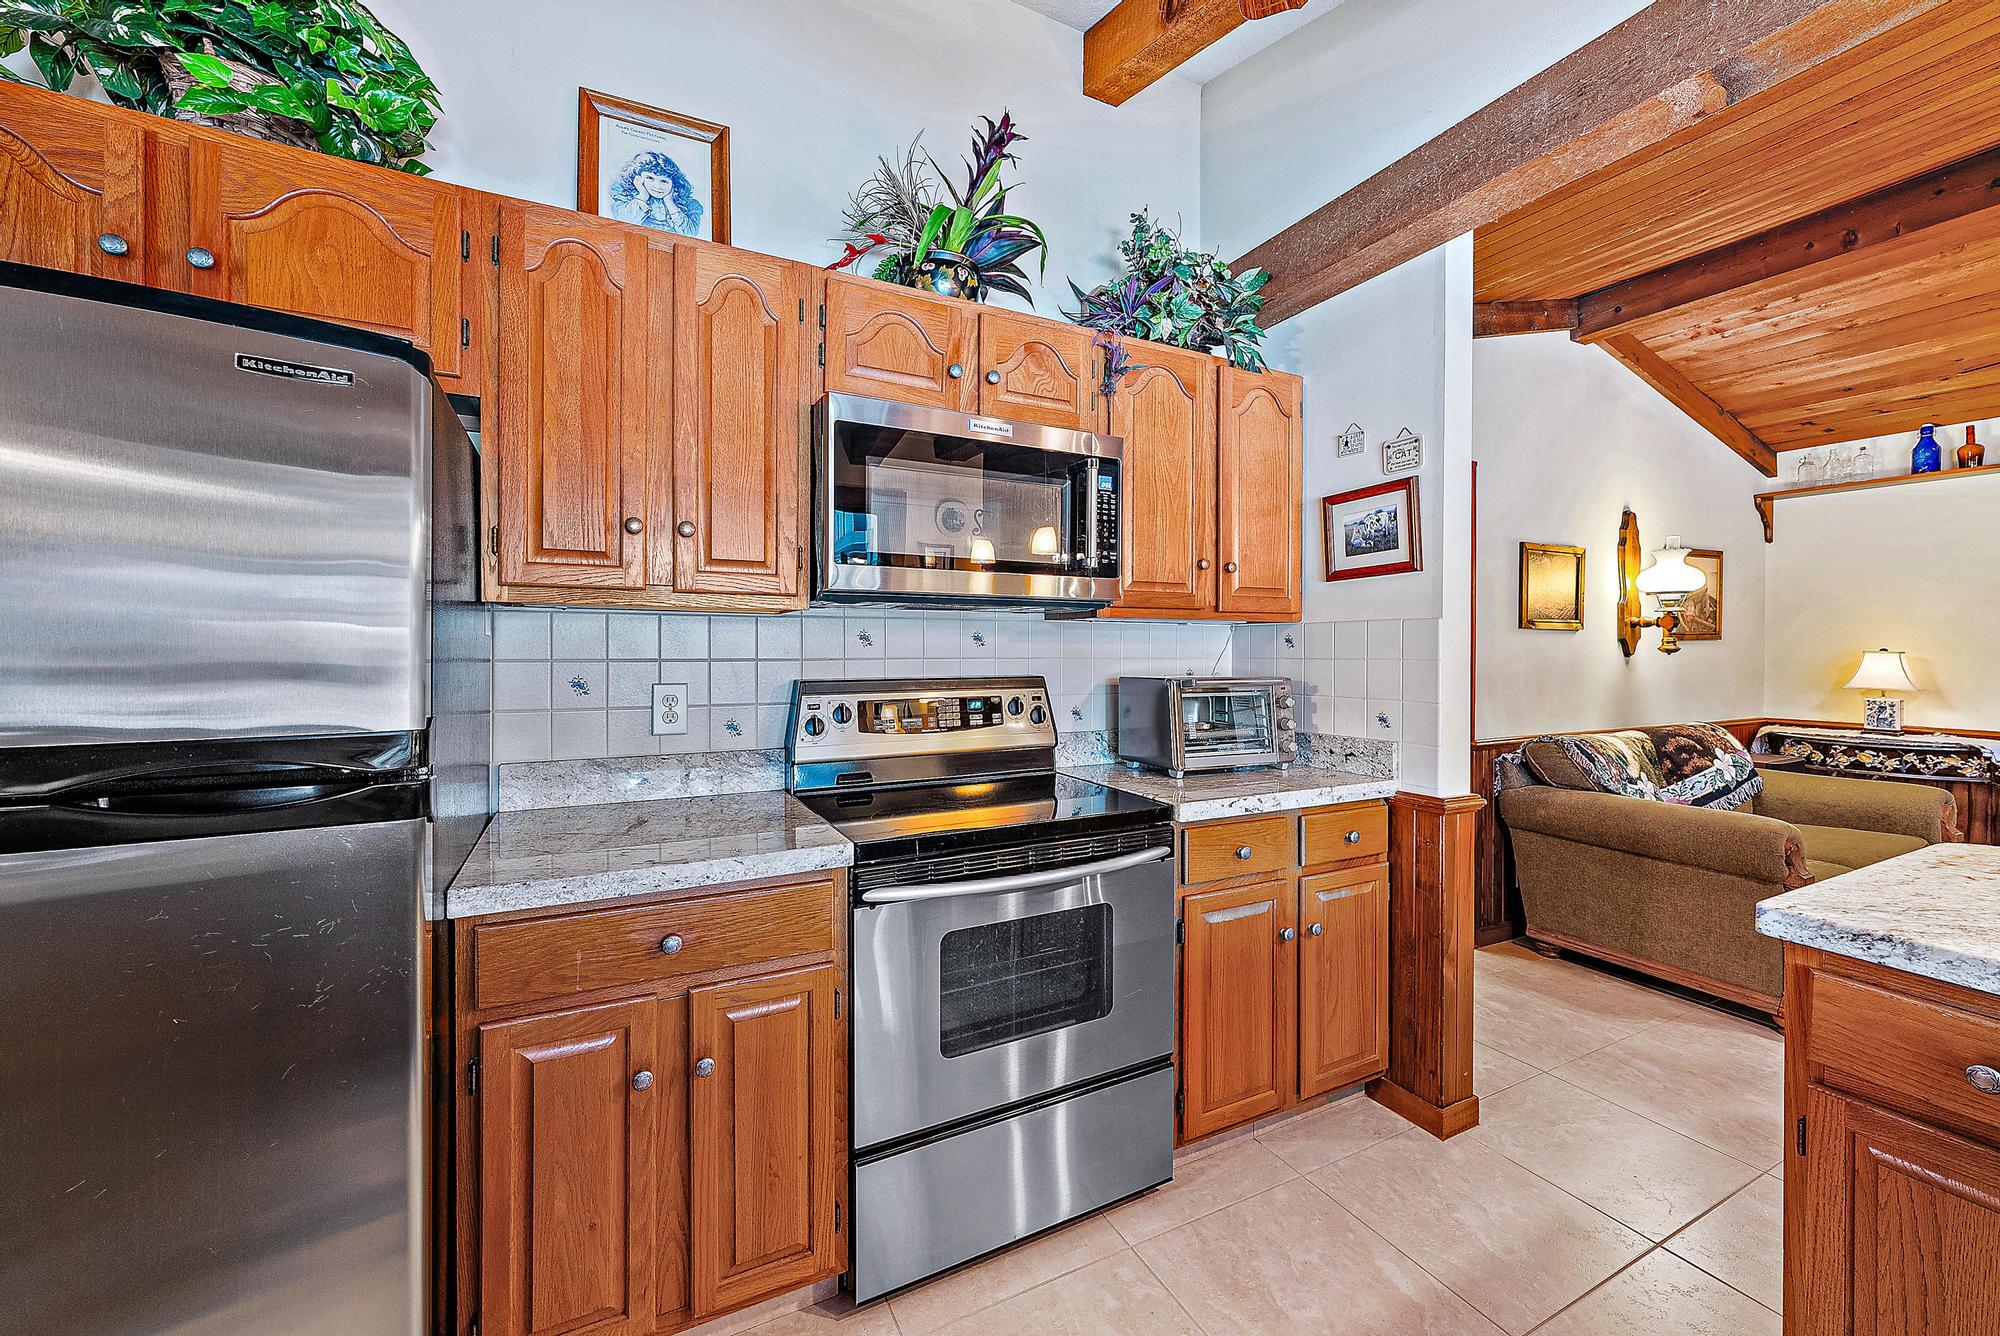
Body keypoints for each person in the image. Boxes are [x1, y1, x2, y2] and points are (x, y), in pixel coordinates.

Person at [609, 150, 703, 235]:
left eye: (664, 181)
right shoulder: (624, 194)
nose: (657, 186)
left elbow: (691, 234)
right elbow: (623, 222)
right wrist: (643, 196)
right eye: (650, 178)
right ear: (638, 178)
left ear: (673, 184)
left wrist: (669, 201)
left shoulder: (691, 205)